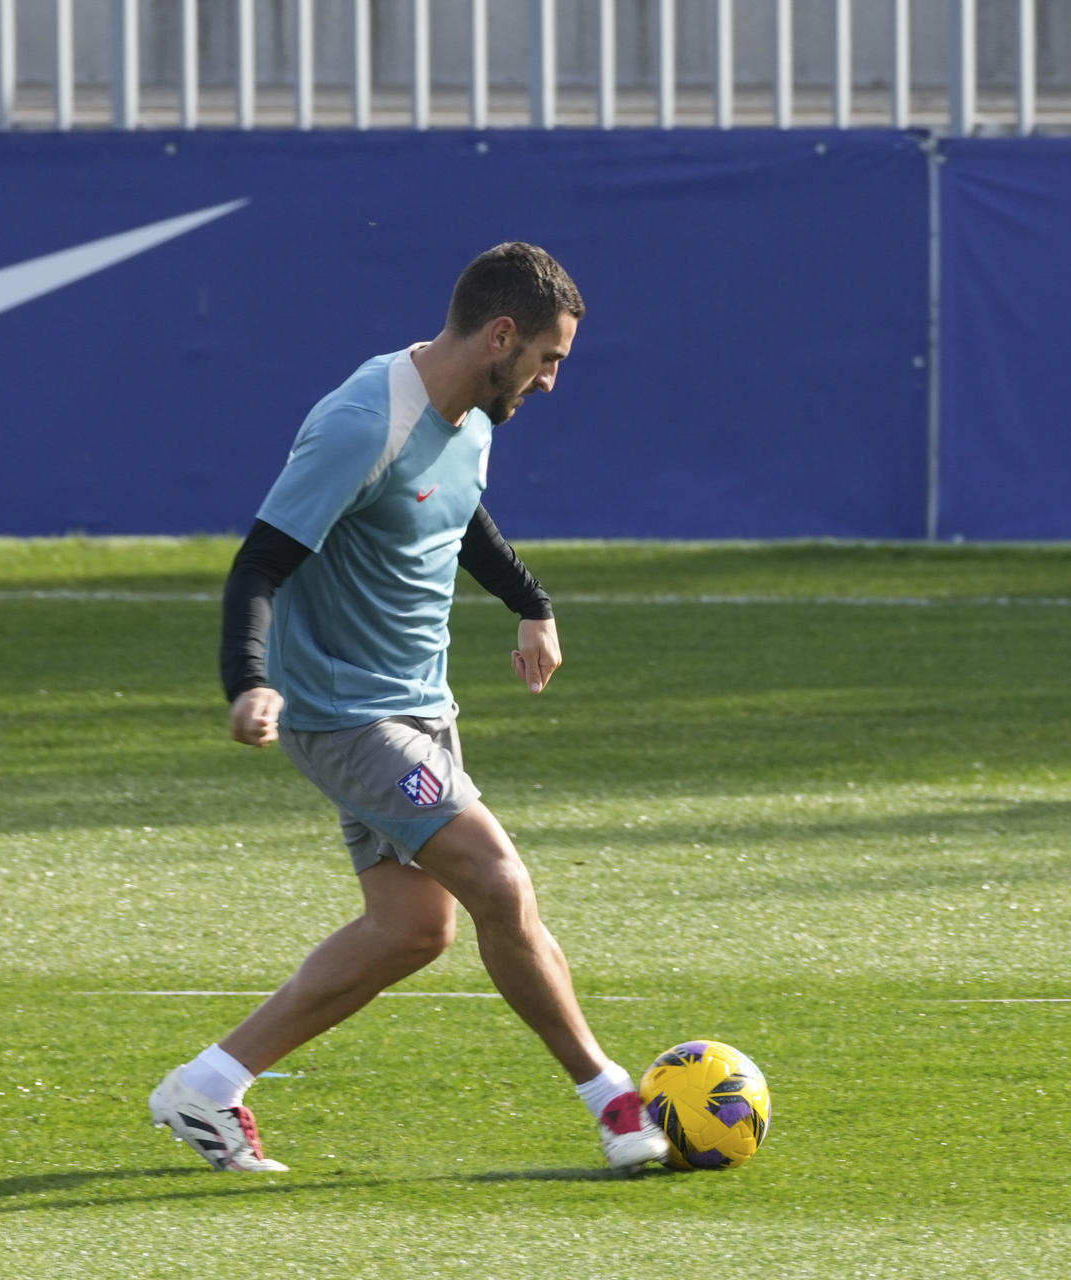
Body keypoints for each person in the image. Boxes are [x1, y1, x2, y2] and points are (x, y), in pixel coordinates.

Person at [148, 242, 668, 1174]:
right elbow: (260, 561)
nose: (551, 381)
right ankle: (613, 1099)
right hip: (346, 715)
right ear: (502, 335)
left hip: (421, 706)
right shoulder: (360, 421)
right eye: (549, 358)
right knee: (501, 883)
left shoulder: (473, 411)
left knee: (413, 931)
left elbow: (455, 511)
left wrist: (531, 603)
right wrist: (248, 680)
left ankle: (207, 1087)